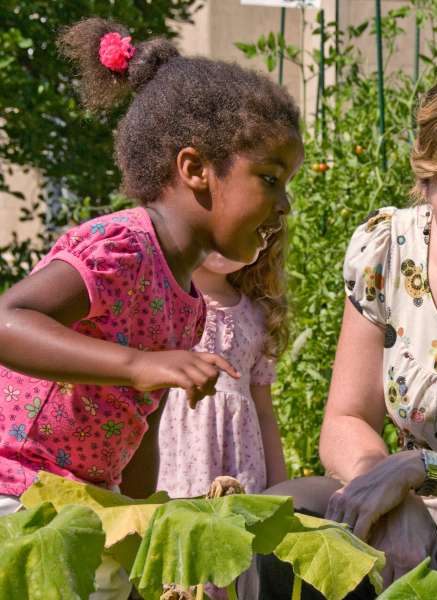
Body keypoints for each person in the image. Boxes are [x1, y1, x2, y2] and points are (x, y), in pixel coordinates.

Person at [0, 17, 303, 600]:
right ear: (194, 169)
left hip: (88, 510)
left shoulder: (186, 299)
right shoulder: (122, 247)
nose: (283, 203)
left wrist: (140, 523)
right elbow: (9, 321)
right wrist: (138, 364)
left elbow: (141, 430)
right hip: (18, 495)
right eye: (269, 178)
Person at [238, 70, 437, 600]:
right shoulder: (392, 249)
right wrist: (388, 491)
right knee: (276, 527)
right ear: (425, 179)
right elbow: (346, 418)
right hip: (414, 503)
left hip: (424, 486)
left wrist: (417, 471)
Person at [157, 223, 288, 499]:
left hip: (240, 463)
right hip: (174, 458)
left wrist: (280, 488)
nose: (226, 239)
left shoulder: (259, 316)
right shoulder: (162, 302)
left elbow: (264, 410)